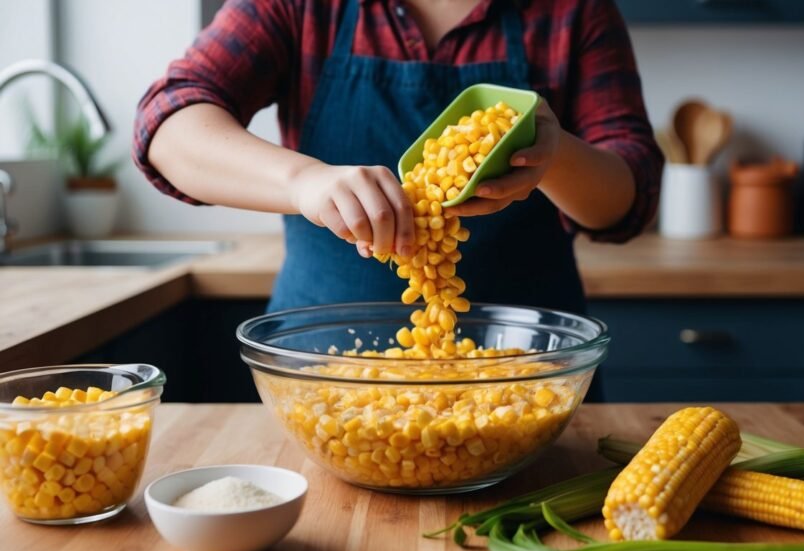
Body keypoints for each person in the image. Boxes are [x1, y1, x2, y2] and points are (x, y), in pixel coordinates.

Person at [134, 0, 661, 330]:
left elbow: (630, 192)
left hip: (526, 363)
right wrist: (305, 182)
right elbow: (167, 124)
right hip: (323, 362)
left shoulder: (573, 11)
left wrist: (556, 154)